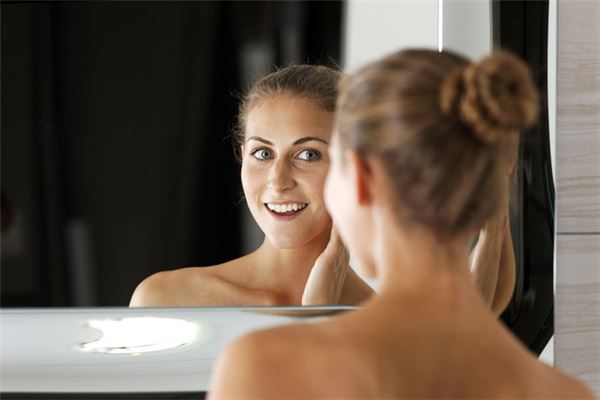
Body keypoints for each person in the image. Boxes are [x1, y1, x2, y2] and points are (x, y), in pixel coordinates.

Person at [209, 50, 594, 398]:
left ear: (360, 178)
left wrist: (313, 324)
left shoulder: (264, 364)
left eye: (315, 157)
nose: (279, 180)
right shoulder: (562, 393)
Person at [130, 65, 374, 307]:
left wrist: (320, 308)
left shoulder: (384, 321)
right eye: (263, 153)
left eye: (308, 155)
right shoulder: (163, 300)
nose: (278, 182)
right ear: (242, 155)